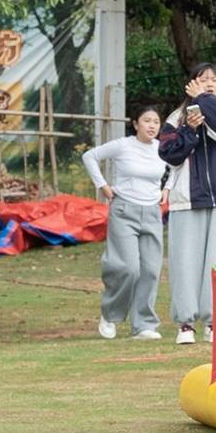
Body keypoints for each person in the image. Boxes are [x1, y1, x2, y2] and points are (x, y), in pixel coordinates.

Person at [158, 65, 216, 345]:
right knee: (185, 263)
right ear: (191, 84)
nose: (209, 83)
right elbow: (169, 154)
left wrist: (202, 102)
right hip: (185, 200)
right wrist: (189, 131)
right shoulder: (176, 119)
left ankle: (214, 321)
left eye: (214, 80)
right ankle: (185, 324)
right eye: (203, 79)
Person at [83, 106, 169, 340]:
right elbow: (89, 156)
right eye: (147, 121)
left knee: (151, 270)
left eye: (156, 122)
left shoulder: (161, 149)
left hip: (152, 211)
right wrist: (102, 185)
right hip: (124, 209)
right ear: (136, 123)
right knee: (128, 268)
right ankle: (110, 315)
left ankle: (144, 325)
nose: (152, 126)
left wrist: (167, 189)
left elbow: (179, 166)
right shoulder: (123, 145)